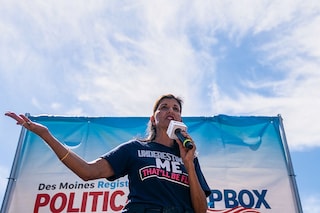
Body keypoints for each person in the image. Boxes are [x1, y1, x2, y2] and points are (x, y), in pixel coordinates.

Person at [5, 94, 211, 213]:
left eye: (176, 108)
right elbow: (87, 171)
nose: (171, 111)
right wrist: (46, 135)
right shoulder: (135, 148)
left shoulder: (190, 156)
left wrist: (189, 164)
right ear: (153, 118)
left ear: (181, 119)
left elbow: (201, 210)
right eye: (164, 107)